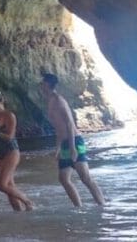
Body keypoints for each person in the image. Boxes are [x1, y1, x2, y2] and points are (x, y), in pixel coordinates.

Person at [40, 73, 105, 207]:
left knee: (85, 178)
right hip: (64, 143)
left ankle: (102, 205)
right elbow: (58, 128)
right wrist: (57, 149)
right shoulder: (49, 101)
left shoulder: (59, 100)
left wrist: (72, 147)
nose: (41, 85)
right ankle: (78, 207)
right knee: (63, 178)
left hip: (74, 140)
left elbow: (69, 123)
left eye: (43, 83)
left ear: (47, 85)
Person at [0, 93, 33, 211]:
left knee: (2, 185)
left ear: (2, 102)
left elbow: (10, 137)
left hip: (11, 151)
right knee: (9, 186)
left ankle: (27, 200)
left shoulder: (9, 115)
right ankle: (18, 212)